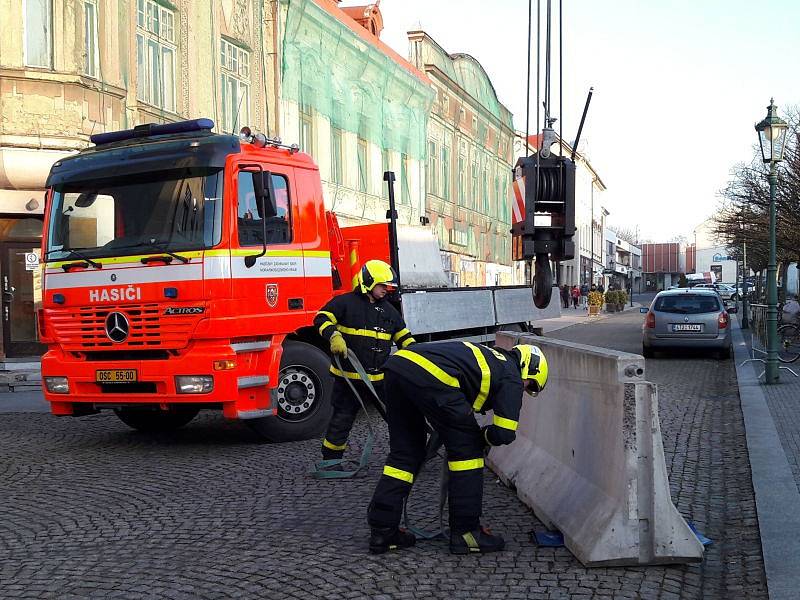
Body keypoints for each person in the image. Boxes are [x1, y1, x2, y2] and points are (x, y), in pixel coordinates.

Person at [366, 341, 549, 555]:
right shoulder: (512, 375)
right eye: (531, 385)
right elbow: (504, 433)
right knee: (468, 453)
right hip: (432, 376)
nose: (526, 388)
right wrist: (482, 438)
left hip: (397, 367)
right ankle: (466, 533)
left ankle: (383, 530)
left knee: (405, 455)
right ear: (530, 367)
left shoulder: (491, 356)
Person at [313, 259, 416, 463]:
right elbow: (321, 318)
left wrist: (418, 356)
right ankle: (331, 459)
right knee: (342, 419)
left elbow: (404, 338)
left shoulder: (390, 311)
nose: (387, 290)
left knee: (396, 417)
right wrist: (334, 335)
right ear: (368, 282)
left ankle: (406, 454)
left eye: (389, 287)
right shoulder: (345, 303)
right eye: (382, 286)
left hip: (379, 379)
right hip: (349, 380)